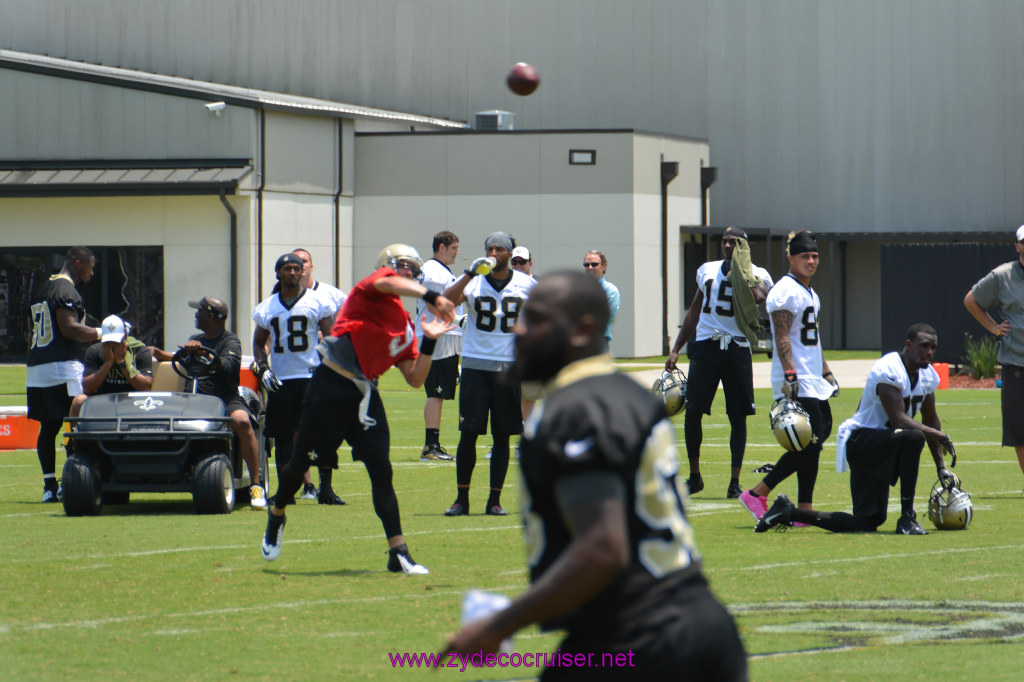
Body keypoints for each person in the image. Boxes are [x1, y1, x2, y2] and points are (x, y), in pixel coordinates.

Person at [442, 271, 747, 680]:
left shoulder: (577, 409)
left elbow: (603, 547)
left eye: (536, 319)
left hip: (636, 635)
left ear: (583, 329)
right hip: (698, 622)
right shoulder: (627, 394)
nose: (518, 328)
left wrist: (500, 626)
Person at [260, 244, 455, 574]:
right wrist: (435, 295)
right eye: (402, 265)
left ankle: (399, 552)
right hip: (329, 386)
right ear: (389, 267)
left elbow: (414, 378)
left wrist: (430, 340)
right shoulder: (373, 288)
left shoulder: (405, 324)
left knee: (382, 472)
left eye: (412, 267)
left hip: (365, 394)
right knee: (299, 461)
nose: (407, 271)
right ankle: (277, 512)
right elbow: (392, 283)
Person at [756, 323, 958, 535]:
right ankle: (907, 518)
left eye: (933, 347)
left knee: (867, 522)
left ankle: (788, 512)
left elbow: (931, 419)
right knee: (913, 437)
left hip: (883, 444)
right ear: (908, 345)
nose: (929, 352)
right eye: (924, 346)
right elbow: (899, 420)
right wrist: (941, 435)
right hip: (861, 442)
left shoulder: (927, 375)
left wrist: (941, 467)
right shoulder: (889, 369)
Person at [666, 227, 773, 498]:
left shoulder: (759, 273)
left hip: (737, 347)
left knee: (737, 416)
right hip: (706, 346)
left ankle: (734, 482)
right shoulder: (707, 270)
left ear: (744, 246)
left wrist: (744, 273)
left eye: (733, 242)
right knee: (693, 412)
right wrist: (676, 348)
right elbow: (695, 309)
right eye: (724, 241)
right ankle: (694, 477)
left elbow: (760, 298)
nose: (727, 245)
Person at [739, 231, 838, 521]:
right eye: (805, 256)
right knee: (810, 443)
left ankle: (803, 509)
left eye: (815, 256)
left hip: (811, 376)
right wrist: (791, 374)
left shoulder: (810, 292)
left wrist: (826, 369)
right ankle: (758, 493)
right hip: (796, 378)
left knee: (815, 440)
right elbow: (781, 334)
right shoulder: (786, 290)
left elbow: (812, 339)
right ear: (791, 257)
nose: (811, 261)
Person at [443, 232, 535, 516]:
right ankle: (461, 499)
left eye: (499, 249)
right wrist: (470, 273)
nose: (493, 253)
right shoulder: (472, 280)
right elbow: (445, 302)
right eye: (489, 248)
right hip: (475, 365)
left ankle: (494, 500)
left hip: (508, 368)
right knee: (468, 432)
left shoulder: (526, 284)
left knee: (502, 435)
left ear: (510, 253)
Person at [152, 296, 267, 509]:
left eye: (200, 311)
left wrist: (202, 353)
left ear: (211, 316)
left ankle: (256, 485)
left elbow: (229, 366)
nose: (196, 315)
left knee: (242, 421)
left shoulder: (230, 341)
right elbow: (182, 358)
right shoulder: (195, 338)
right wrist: (162, 354)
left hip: (223, 399)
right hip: (192, 399)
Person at [252, 253, 339, 505]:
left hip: (311, 376)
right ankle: (286, 490)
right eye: (287, 268)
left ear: (303, 272)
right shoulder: (267, 307)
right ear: (277, 272)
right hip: (281, 379)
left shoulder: (317, 301)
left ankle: (326, 488)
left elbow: (330, 337)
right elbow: (258, 344)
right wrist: (263, 368)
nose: (292, 273)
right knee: (282, 436)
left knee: (320, 433)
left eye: (296, 268)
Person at [26, 246, 103, 502]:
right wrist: (104, 333)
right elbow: (70, 329)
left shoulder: (43, 287)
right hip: (61, 366)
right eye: (90, 267)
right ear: (78, 263)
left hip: (38, 367)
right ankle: (71, 482)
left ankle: (49, 487)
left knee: (48, 428)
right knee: (76, 424)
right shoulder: (65, 289)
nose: (92, 273)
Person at [285, 248, 348, 499]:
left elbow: (348, 315)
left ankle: (326, 486)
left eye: (305, 261)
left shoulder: (330, 294)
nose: (300, 265)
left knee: (325, 427)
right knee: (294, 429)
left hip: (323, 369)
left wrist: (332, 331)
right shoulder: (281, 295)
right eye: (295, 262)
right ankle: (306, 484)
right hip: (293, 370)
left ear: (311, 266)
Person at [964, 224, 1024, 481]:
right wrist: (994, 328)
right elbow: (971, 300)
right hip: (1016, 362)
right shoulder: (1003, 276)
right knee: (1020, 430)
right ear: (1017, 246)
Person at [416, 231, 462, 462]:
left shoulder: (440, 270)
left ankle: (433, 445)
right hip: (437, 337)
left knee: (440, 392)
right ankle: (430, 446)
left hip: (445, 337)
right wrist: (457, 321)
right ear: (442, 247)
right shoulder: (433, 271)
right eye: (454, 248)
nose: (457, 252)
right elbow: (433, 305)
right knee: (436, 391)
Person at [70, 315, 154, 417]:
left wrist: (122, 363)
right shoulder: (94, 351)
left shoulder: (140, 351)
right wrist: (107, 363)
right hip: (104, 400)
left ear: (125, 336)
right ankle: (75, 433)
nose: (113, 345)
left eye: (116, 341)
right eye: (108, 342)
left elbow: (146, 388)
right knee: (78, 401)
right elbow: (87, 388)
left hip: (133, 401)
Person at [510, 245, 541, 422]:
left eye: (522, 262)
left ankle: (525, 440)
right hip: (507, 348)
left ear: (530, 264)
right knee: (506, 397)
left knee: (529, 396)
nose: (518, 266)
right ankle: (499, 443)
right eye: (514, 262)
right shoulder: (504, 283)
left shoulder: (538, 286)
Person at [583, 249, 620, 352]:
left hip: (597, 344)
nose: (590, 267)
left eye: (594, 264)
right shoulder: (578, 288)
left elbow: (599, 318)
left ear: (604, 266)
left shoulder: (610, 290)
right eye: (586, 265)